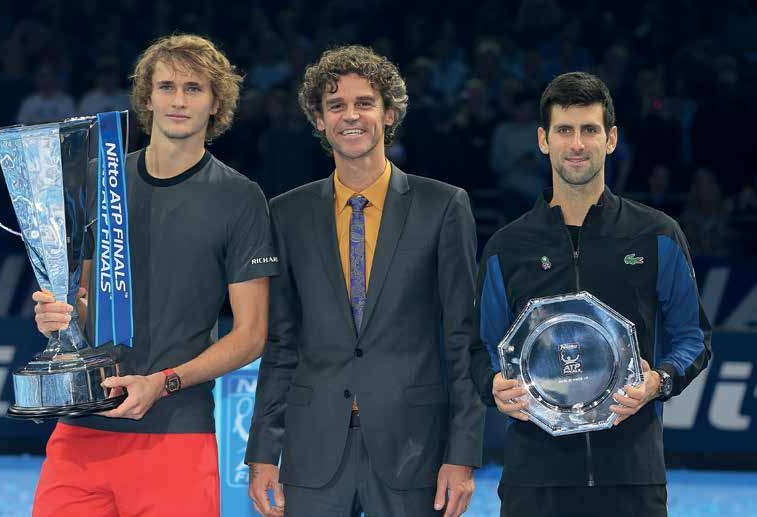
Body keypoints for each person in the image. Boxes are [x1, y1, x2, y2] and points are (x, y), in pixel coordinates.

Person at [31, 34, 279, 516]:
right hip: (82, 430)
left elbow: (251, 335)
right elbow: (80, 301)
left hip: (176, 435)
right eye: (166, 86)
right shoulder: (102, 183)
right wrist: (59, 317)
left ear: (216, 103)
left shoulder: (240, 197)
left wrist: (163, 382)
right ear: (147, 97)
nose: (178, 100)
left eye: (193, 88)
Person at [245, 45, 486, 517]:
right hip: (312, 447)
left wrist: (463, 454)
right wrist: (261, 452)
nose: (349, 116)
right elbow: (281, 343)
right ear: (318, 119)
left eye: (364, 103)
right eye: (336, 105)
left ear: (390, 112)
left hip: (413, 448)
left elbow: (462, 339)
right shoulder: (286, 213)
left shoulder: (444, 206)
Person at [474, 71, 712, 517]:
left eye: (589, 130)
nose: (577, 144)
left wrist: (657, 382)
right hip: (535, 476)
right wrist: (492, 385)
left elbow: (693, 337)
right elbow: (479, 346)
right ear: (543, 140)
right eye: (565, 130)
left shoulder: (657, 235)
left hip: (631, 476)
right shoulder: (508, 247)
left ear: (611, 138)